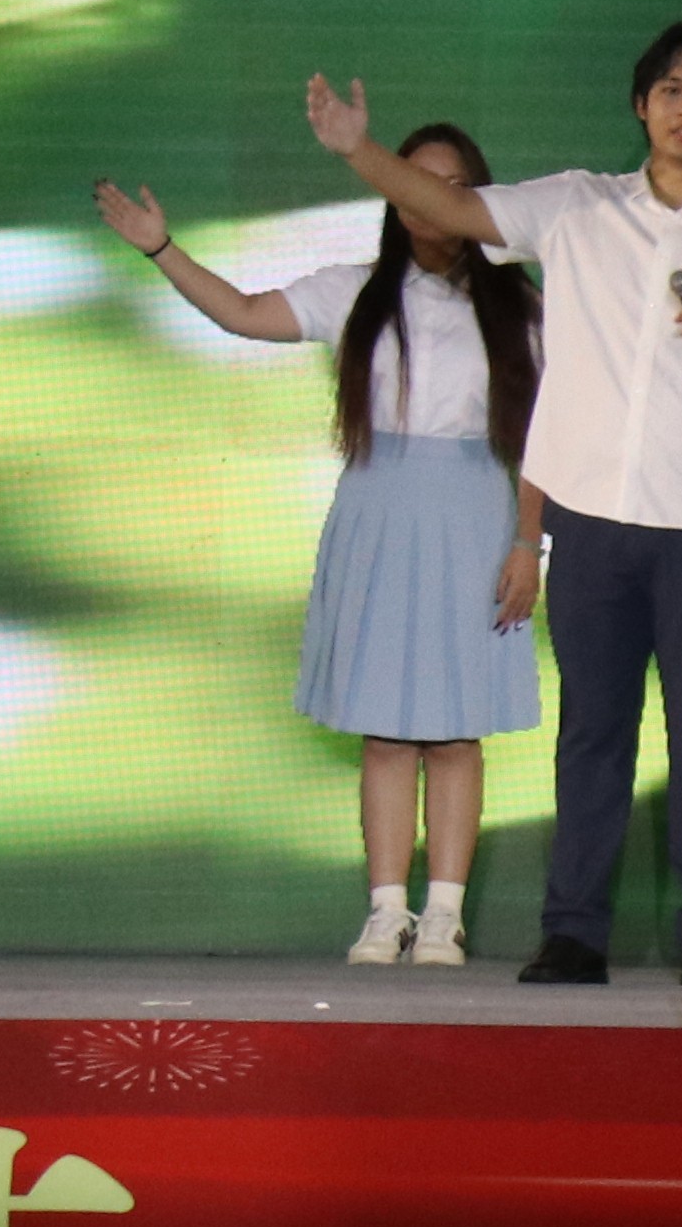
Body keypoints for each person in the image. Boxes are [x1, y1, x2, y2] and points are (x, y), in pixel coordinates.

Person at [308, 24, 682, 987]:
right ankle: (575, 931)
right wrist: (357, 151)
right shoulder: (578, 205)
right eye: (669, 89)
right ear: (641, 105)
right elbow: (454, 208)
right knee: (592, 729)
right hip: (590, 514)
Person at [95, 130, 548, 964]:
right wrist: (161, 248)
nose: (434, 199)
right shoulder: (356, 293)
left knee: (456, 732)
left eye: (454, 184)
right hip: (378, 511)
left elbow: (544, 441)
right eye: (417, 181)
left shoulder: (522, 309)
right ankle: (387, 911)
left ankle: (444, 916)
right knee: (386, 730)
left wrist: (528, 542)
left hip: (476, 516)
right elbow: (242, 313)